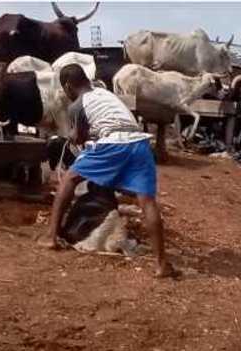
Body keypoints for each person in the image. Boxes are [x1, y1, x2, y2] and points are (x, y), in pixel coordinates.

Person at [39, 64, 174, 278]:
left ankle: (50, 236)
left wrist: (74, 137)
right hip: (139, 143)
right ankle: (161, 264)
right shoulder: (104, 94)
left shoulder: (76, 105)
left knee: (70, 179)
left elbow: (79, 137)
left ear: (67, 86)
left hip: (113, 142)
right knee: (147, 201)